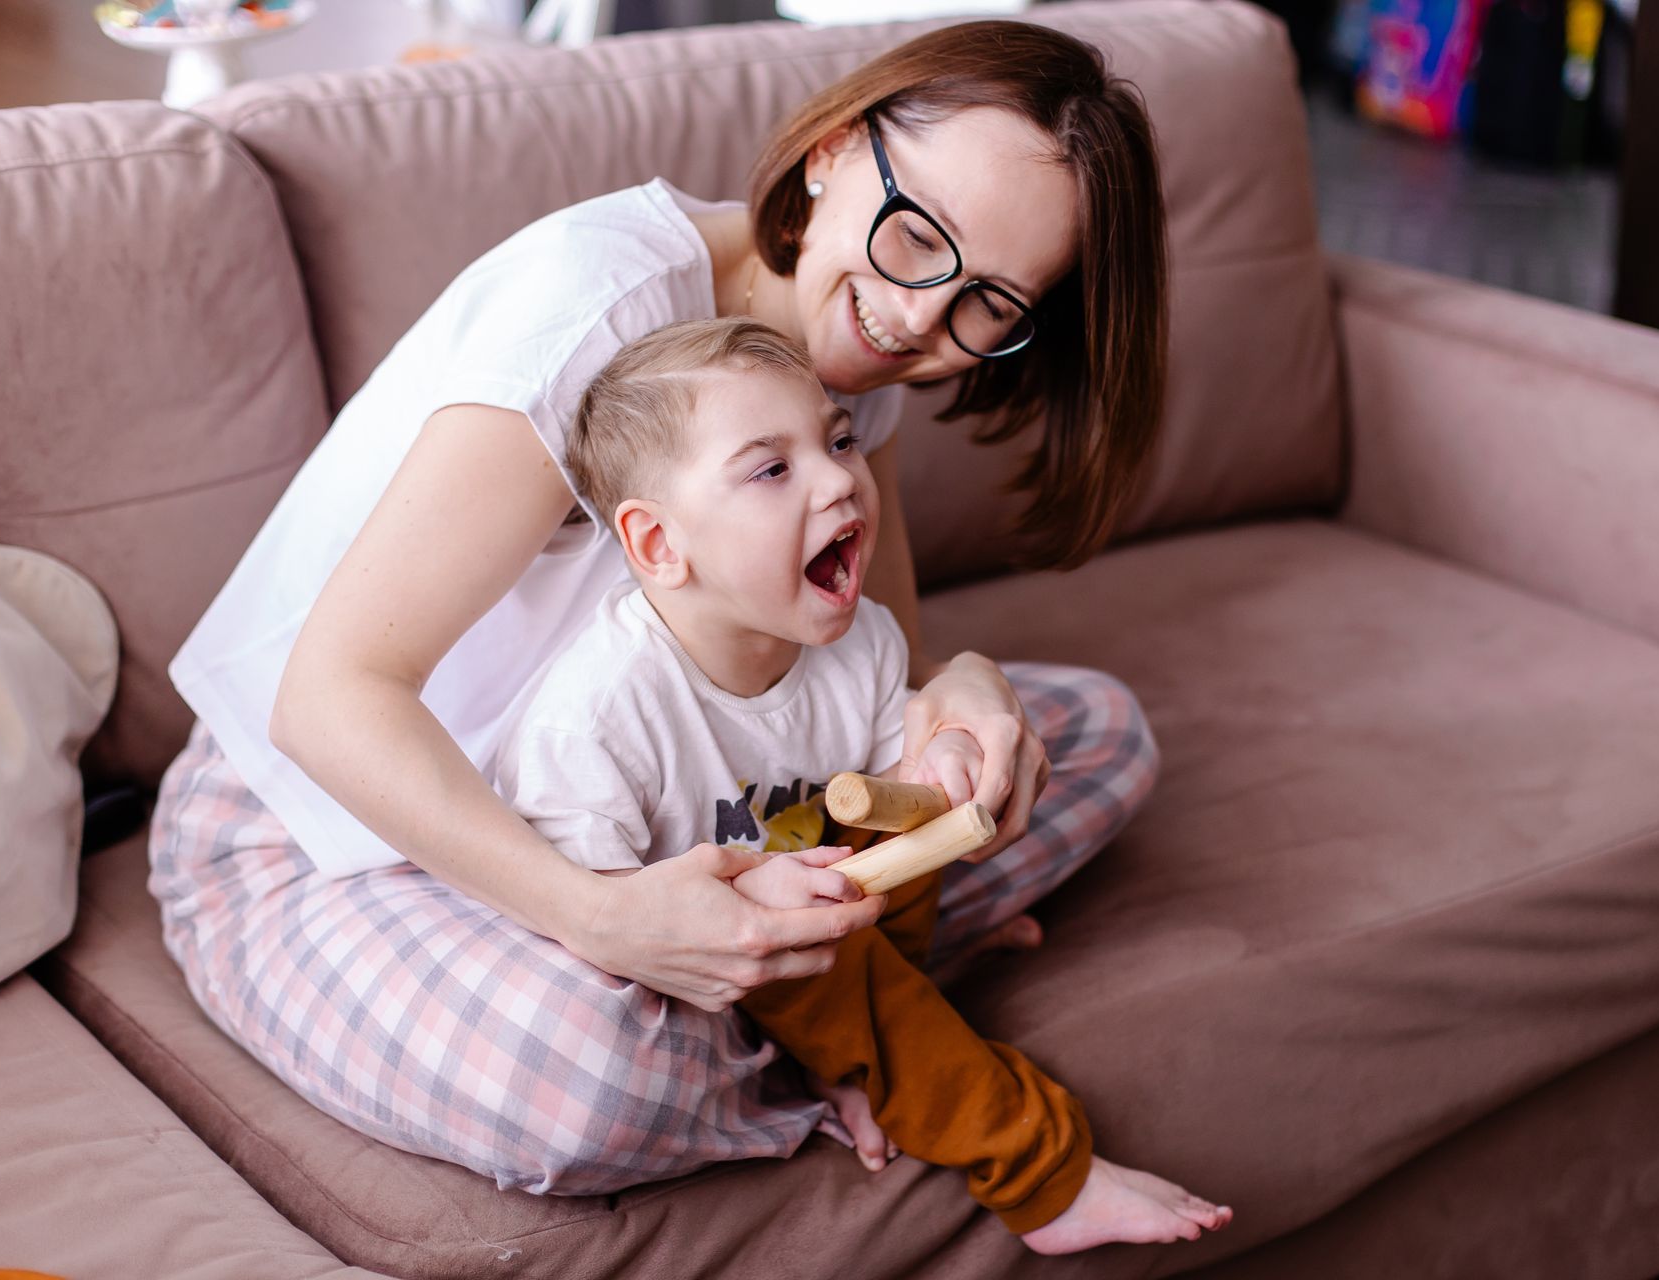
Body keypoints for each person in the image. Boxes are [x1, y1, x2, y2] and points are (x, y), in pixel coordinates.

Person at [149, 19, 1173, 1200]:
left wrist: (968, 691)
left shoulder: (847, 371)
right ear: (836, 148)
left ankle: (829, 1008)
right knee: (584, 1079)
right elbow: (328, 703)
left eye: (989, 301)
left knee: (1087, 735)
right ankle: (857, 1025)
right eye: (915, 237)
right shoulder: (596, 313)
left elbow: (878, 679)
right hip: (335, 828)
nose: (918, 321)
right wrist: (601, 919)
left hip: (663, 809)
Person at [491, 317, 1228, 1251]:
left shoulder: (864, 640)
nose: (840, 477)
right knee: (817, 956)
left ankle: (870, 1036)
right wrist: (739, 899)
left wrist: (942, 770)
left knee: (901, 832)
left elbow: (896, 809)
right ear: (660, 545)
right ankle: (1041, 1170)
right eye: (771, 469)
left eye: (838, 440)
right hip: (697, 973)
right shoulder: (596, 716)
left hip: (823, 927)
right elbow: (593, 928)